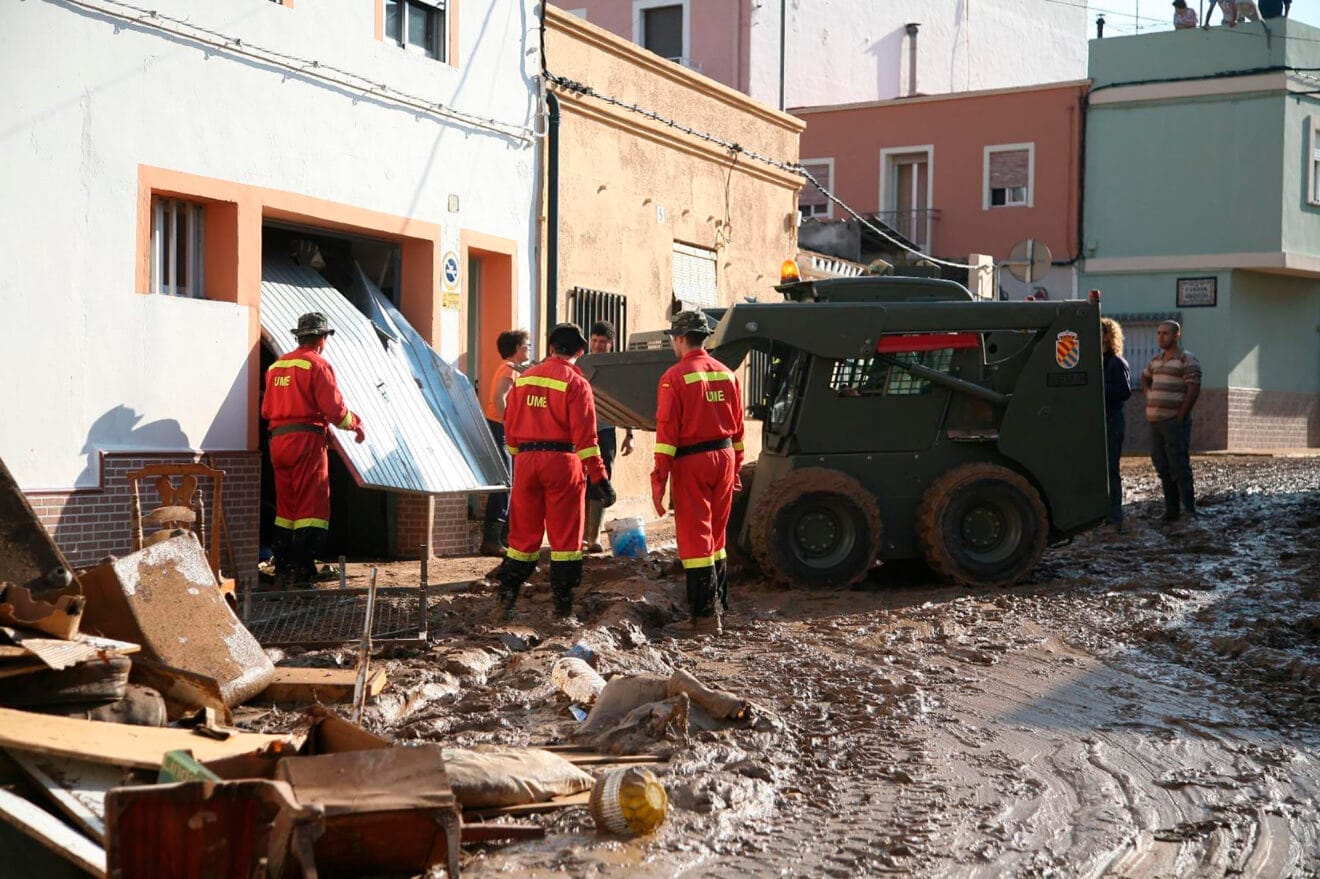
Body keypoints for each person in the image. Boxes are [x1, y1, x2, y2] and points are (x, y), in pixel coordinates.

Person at [491, 323, 615, 622]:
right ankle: (562, 609)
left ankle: (506, 601)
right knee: (565, 540)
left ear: (550, 347)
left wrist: (521, 458)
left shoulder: (525, 379)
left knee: (521, 538)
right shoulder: (576, 383)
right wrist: (600, 478)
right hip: (563, 463)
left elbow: (510, 425)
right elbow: (587, 439)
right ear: (581, 351)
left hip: (527, 463)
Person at [651, 311, 745, 635]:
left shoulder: (674, 377)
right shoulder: (727, 374)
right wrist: (736, 468)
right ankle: (719, 607)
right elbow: (739, 428)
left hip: (692, 461)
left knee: (695, 541)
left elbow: (666, 435)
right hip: (725, 456)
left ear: (679, 339)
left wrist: (658, 481)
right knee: (716, 539)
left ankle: (704, 619)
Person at [261, 312, 365, 588]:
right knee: (311, 506)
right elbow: (335, 411)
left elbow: (274, 409)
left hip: (278, 442)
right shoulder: (318, 365)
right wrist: (354, 424)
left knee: (287, 507)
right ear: (322, 338)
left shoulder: (276, 367)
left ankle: (283, 568)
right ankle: (304, 571)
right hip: (305, 444)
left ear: (299, 336)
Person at [1140, 320, 1201, 523]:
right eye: (1158, 333)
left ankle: (1188, 511)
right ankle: (1171, 510)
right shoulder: (1156, 361)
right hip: (1155, 422)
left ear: (1176, 335)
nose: (1160, 337)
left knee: (1179, 466)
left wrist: (1181, 415)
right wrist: (1149, 393)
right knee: (1162, 464)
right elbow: (1144, 377)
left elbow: (1193, 388)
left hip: (1174, 421)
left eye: (1165, 333)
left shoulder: (1187, 359)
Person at [583, 321, 635, 553]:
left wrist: (629, 434)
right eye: (594, 340)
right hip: (581, 432)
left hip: (605, 431)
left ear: (611, 344)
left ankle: (594, 536)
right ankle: (580, 535)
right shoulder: (582, 364)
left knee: (601, 481)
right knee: (579, 482)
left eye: (602, 342)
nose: (597, 345)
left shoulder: (616, 369)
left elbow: (627, 401)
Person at [480, 330, 530, 556]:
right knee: (505, 482)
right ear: (517, 349)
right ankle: (491, 540)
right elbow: (500, 397)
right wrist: (509, 425)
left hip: (504, 429)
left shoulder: (514, 369)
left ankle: (502, 538)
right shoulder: (510, 369)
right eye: (526, 345)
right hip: (500, 429)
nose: (529, 349)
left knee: (511, 482)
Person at [1101, 318, 1132, 528]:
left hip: (1112, 419)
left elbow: (1125, 391)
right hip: (1101, 420)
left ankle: (1115, 514)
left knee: (1111, 468)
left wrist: (1100, 388)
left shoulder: (1116, 363)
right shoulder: (1098, 361)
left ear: (1107, 336)